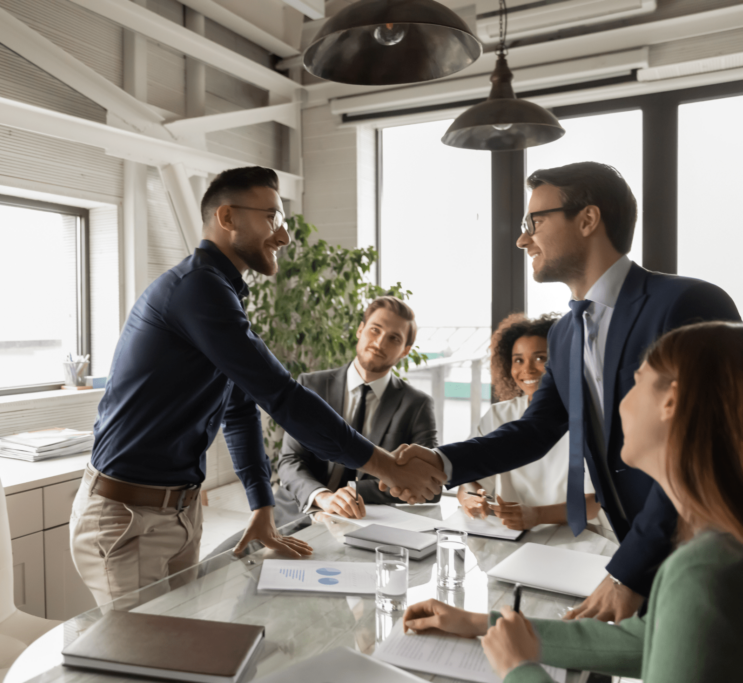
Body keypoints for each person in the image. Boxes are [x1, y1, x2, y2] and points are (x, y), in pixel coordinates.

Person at [69, 166, 444, 606]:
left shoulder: (222, 293)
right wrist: (390, 467)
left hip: (179, 513)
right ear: (228, 218)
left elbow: (240, 408)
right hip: (129, 516)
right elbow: (281, 395)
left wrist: (262, 507)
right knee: (138, 663)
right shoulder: (197, 289)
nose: (284, 236)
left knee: (180, 645)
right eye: (273, 219)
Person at [399, 161, 739, 622]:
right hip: (628, 548)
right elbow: (535, 429)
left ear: (587, 219)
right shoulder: (564, 335)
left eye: (534, 222)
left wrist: (629, 571)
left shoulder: (686, 303)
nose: (522, 239)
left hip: (703, 558)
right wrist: (442, 463)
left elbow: (704, 448)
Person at [402, 321, 743, 683]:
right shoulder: (716, 550)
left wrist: (519, 669)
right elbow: (641, 643)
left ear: (671, 400)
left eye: (636, 381)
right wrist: (476, 623)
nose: (619, 401)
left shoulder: (701, 572)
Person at [277, 295, 439, 524]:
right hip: (300, 508)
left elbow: (428, 485)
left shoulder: (417, 405)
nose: (380, 342)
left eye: (394, 338)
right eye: (375, 330)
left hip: (368, 522)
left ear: (405, 351)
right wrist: (322, 497)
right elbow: (290, 460)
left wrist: (351, 491)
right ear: (360, 330)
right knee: (227, 558)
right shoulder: (311, 385)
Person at [457, 313, 600, 530]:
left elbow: (592, 504)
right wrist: (470, 498)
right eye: (518, 360)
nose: (528, 369)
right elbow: (468, 479)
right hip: (509, 535)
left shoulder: (587, 418)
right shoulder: (498, 415)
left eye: (541, 358)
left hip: (575, 536)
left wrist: (536, 515)